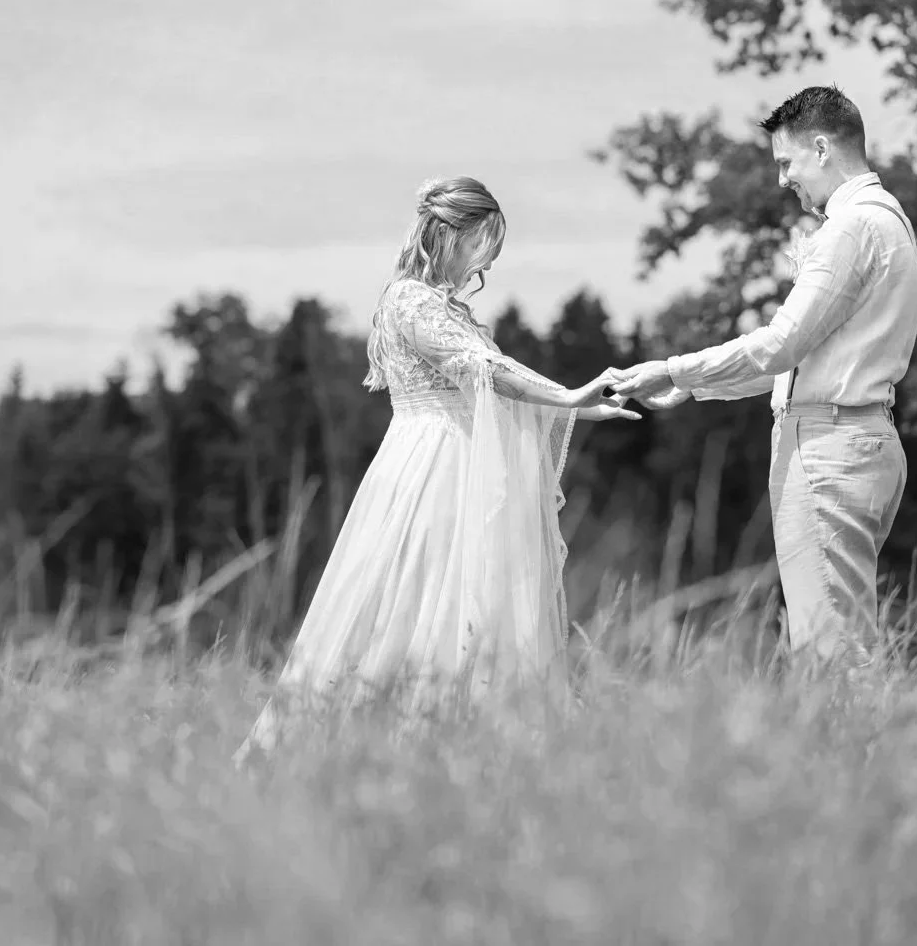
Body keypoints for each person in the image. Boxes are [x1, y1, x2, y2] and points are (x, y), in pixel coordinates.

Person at [236, 176, 636, 760]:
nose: (485, 260)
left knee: (464, 600)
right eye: (481, 244)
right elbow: (483, 371)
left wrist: (575, 402)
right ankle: (371, 746)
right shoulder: (409, 300)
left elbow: (495, 376)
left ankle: (453, 747)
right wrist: (569, 397)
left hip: (460, 461)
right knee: (409, 592)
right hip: (430, 464)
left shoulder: (451, 310)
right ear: (446, 234)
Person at [611, 85, 917, 667]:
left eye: (787, 162)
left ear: (823, 147)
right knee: (842, 639)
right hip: (860, 441)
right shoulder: (890, 222)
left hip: (828, 448)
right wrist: (688, 383)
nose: (783, 180)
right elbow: (795, 355)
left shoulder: (852, 228)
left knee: (833, 652)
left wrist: (672, 367)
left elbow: (780, 345)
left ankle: (872, 757)